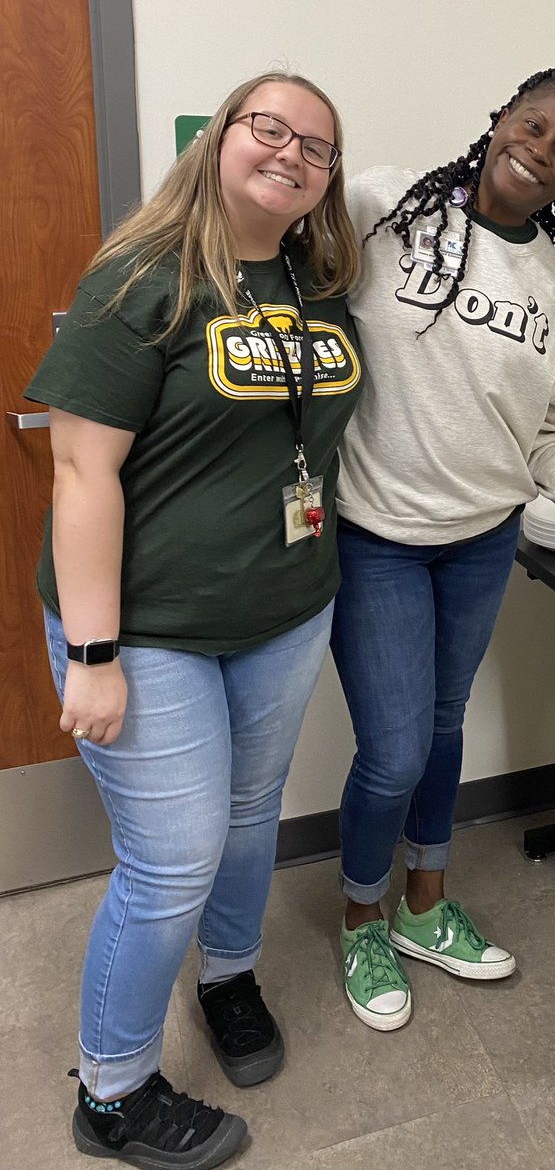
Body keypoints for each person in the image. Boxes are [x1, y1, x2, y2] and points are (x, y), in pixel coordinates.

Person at [24, 72, 362, 1170]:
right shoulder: (145, 277)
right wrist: (92, 653)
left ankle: (228, 976)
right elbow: (80, 473)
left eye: (317, 146)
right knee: (170, 858)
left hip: (285, 610)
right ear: (218, 140)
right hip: (151, 628)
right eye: (269, 128)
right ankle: (111, 1093)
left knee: (252, 812)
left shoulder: (318, 284)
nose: (292, 154)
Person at [331, 68, 555, 1030]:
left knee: (442, 730)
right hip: (377, 537)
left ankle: (425, 908)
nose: (543, 152)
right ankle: (362, 916)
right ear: (499, 121)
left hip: (483, 541)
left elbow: (546, 435)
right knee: (393, 753)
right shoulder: (383, 207)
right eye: (534, 126)